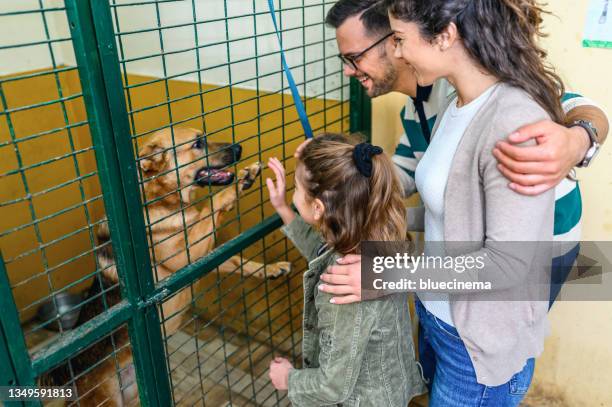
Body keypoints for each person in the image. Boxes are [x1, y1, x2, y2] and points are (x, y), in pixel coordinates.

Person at [313, 0, 578, 405]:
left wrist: (385, 272)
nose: (398, 53)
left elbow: (506, 264)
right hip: (442, 313)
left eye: (401, 39)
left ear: (445, 35)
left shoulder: (512, 117)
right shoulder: (453, 106)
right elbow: (449, 208)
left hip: (479, 336)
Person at [318, 0, 609, 305]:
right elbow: (403, 177)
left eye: (354, 57)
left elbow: (580, 107)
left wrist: (577, 140)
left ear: (394, 40)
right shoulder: (415, 109)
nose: (349, 71)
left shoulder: (472, 90)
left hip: (540, 247)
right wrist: (337, 177)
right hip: (470, 258)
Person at [266, 134, 426, 406]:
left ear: (318, 208)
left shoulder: (343, 287)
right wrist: (284, 208)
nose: (293, 195)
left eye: (295, 188)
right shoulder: (377, 238)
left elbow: (331, 387)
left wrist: (288, 378)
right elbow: (322, 252)